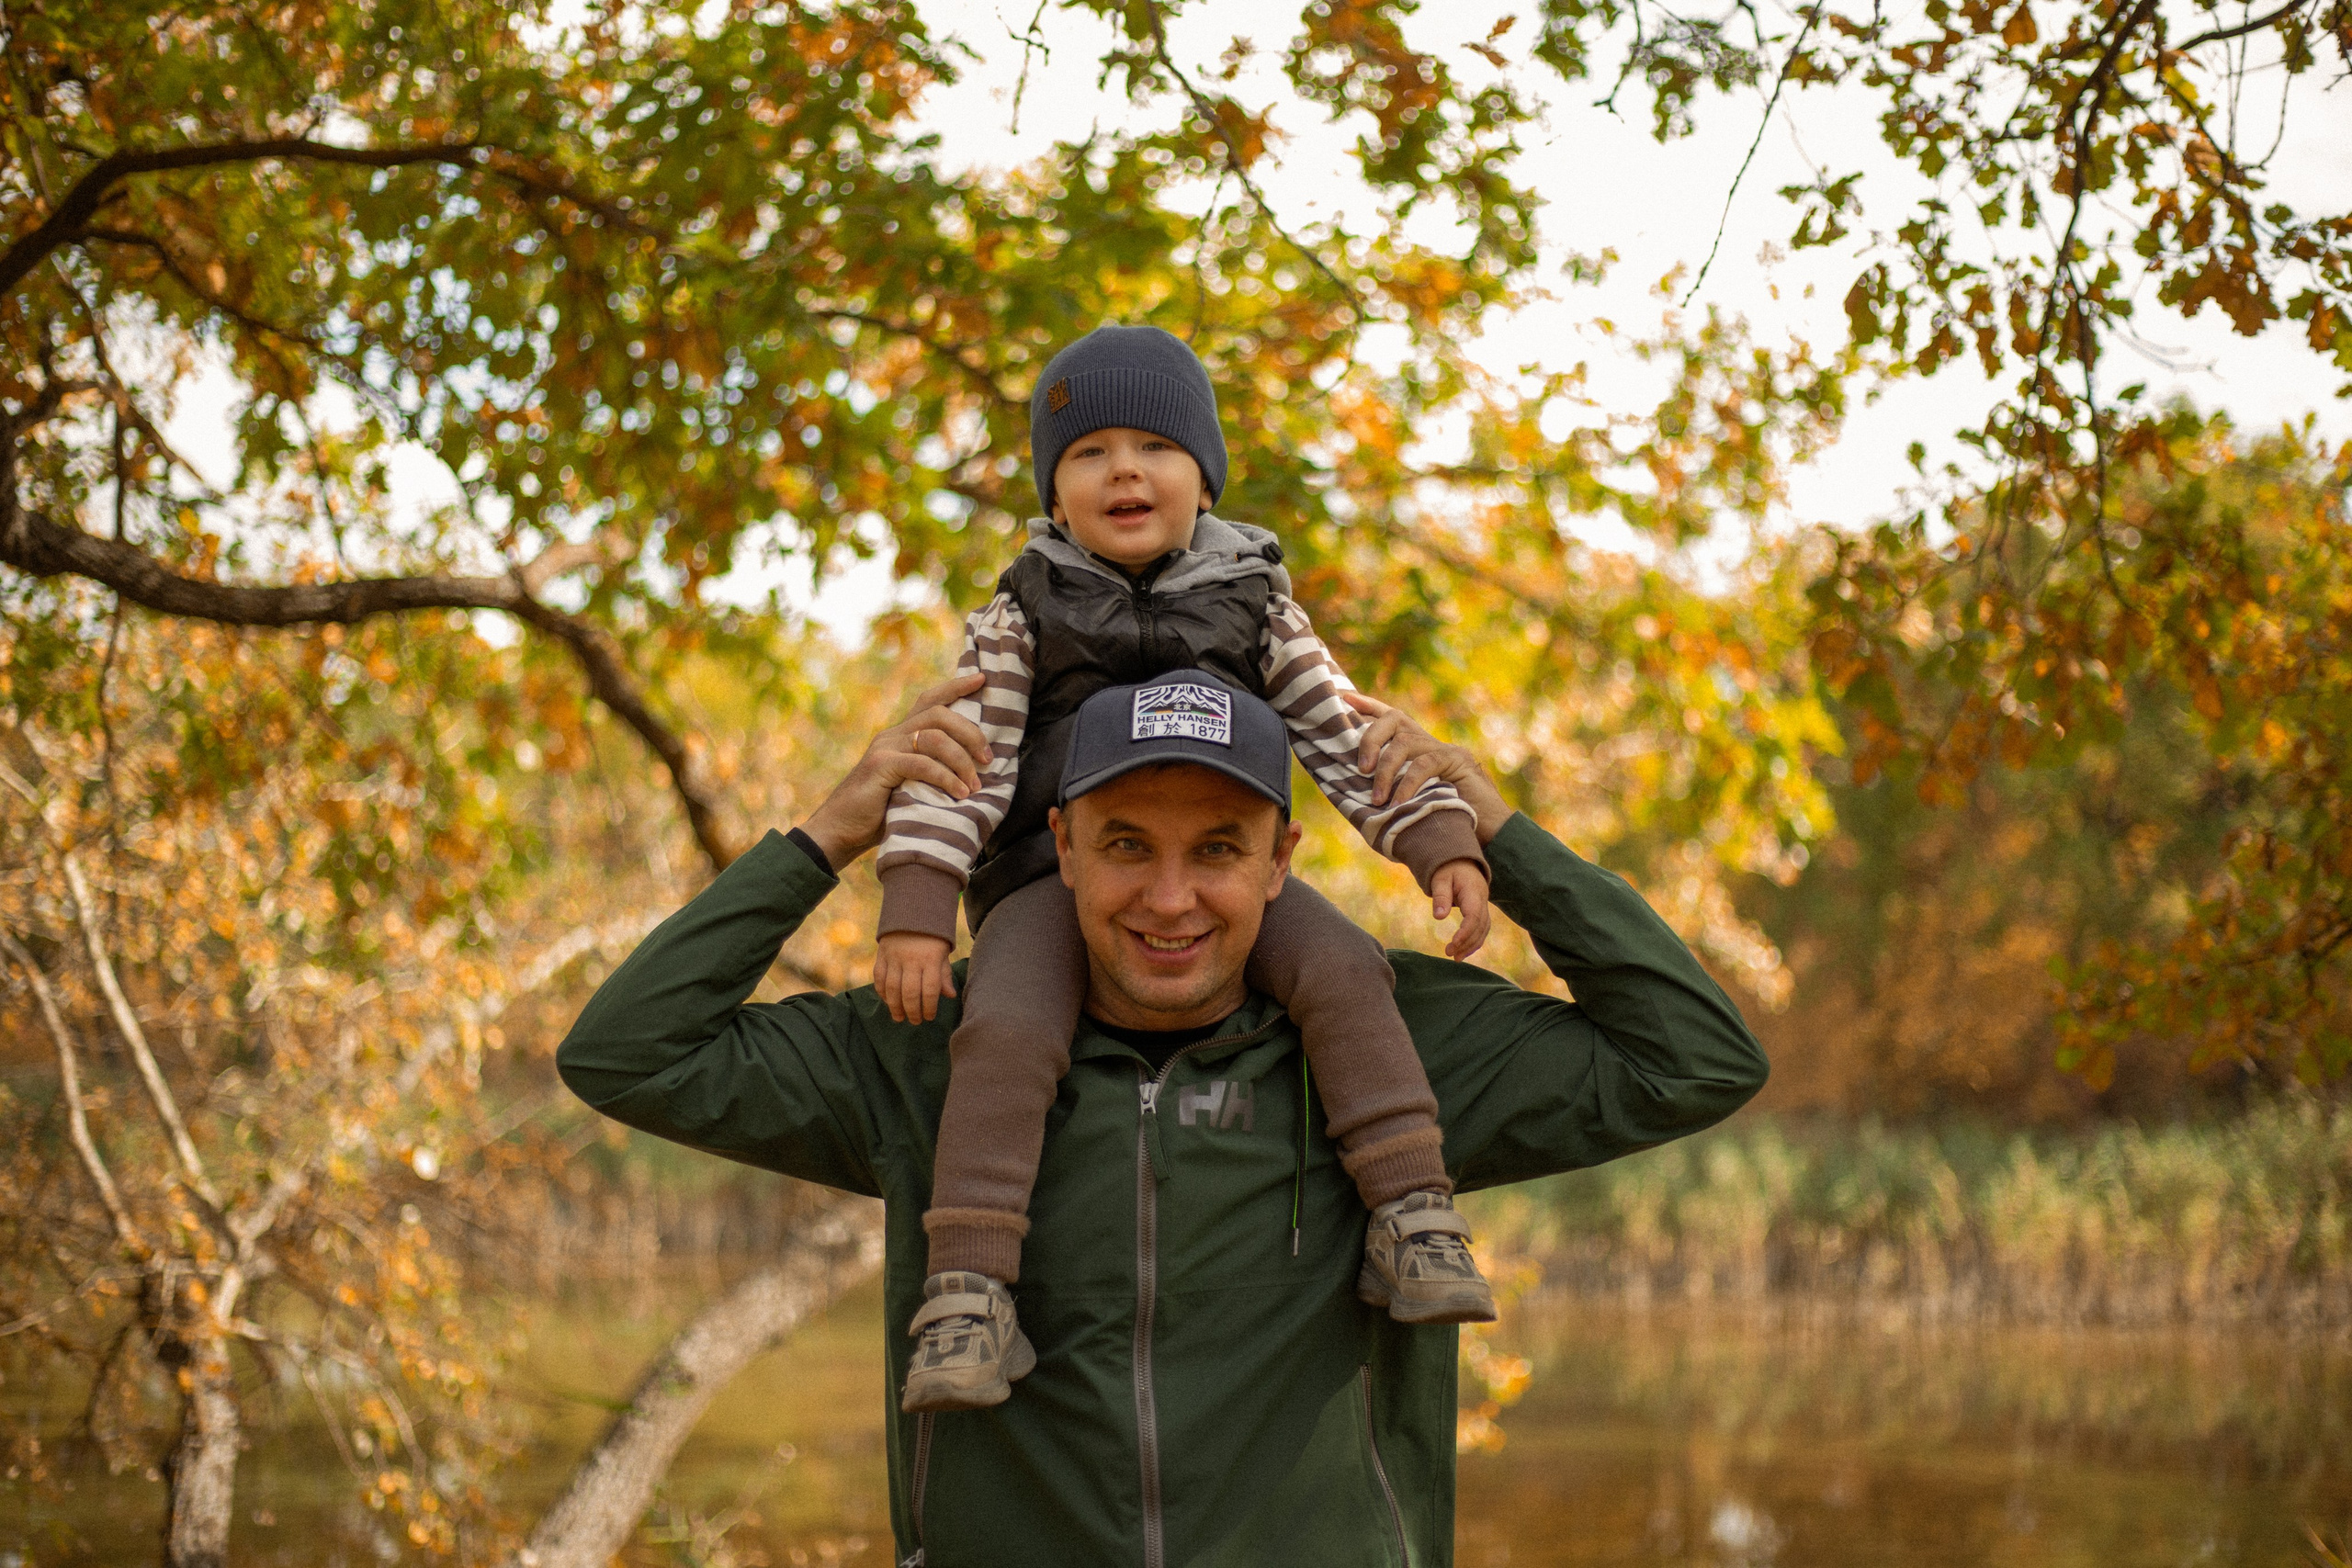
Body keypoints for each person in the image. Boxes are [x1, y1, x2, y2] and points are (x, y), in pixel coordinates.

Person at [557, 671, 1770, 1568]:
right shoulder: (934, 1048)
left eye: (1219, 849)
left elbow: (1698, 1054)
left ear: (1282, 858)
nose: (1172, 896)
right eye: (1127, 844)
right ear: (1064, 850)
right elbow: (627, 1050)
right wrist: (825, 835)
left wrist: (1502, 834)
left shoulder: (1391, 1044)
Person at [870, 324, 1498, 1412]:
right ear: (1053, 494)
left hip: (1222, 878)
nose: (1123, 468)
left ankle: (1411, 1215)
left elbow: (1348, 736)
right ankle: (968, 1288)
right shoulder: (1021, 613)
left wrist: (1437, 841)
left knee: (1347, 969)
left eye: (1154, 446)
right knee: (1008, 1026)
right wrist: (919, 901)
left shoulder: (1256, 603)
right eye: (1088, 451)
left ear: (1202, 477)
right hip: (1047, 877)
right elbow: (962, 764)